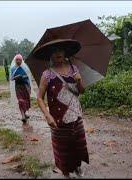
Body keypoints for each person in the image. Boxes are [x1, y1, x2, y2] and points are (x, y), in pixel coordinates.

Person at [36, 46, 89, 178]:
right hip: (58, 119)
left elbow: (81, 91)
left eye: (60, 50)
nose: (58, 53)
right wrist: (47, 116)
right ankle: (66, 174)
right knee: (63, 149)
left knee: (78, 145)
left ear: (65, 52)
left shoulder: (74, 69)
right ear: (50, 54)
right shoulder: (47, 74)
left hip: (76, 116)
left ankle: (77, 167)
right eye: (54, 51)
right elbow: (39, 97)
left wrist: (79, 81)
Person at [10, 54, 35, 124]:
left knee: (26, 100)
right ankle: (23, 115)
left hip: (25, 86)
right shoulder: (13, 69)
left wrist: (23, 76)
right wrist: (16, 77)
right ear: (15, 61)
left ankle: (25, 113)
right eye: (17, 60)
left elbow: (29, 77)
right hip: (18, 87)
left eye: (19, 60)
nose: (18, 61)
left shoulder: (25, 68)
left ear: (22, 60)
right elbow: (11, 78)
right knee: (20, 101)